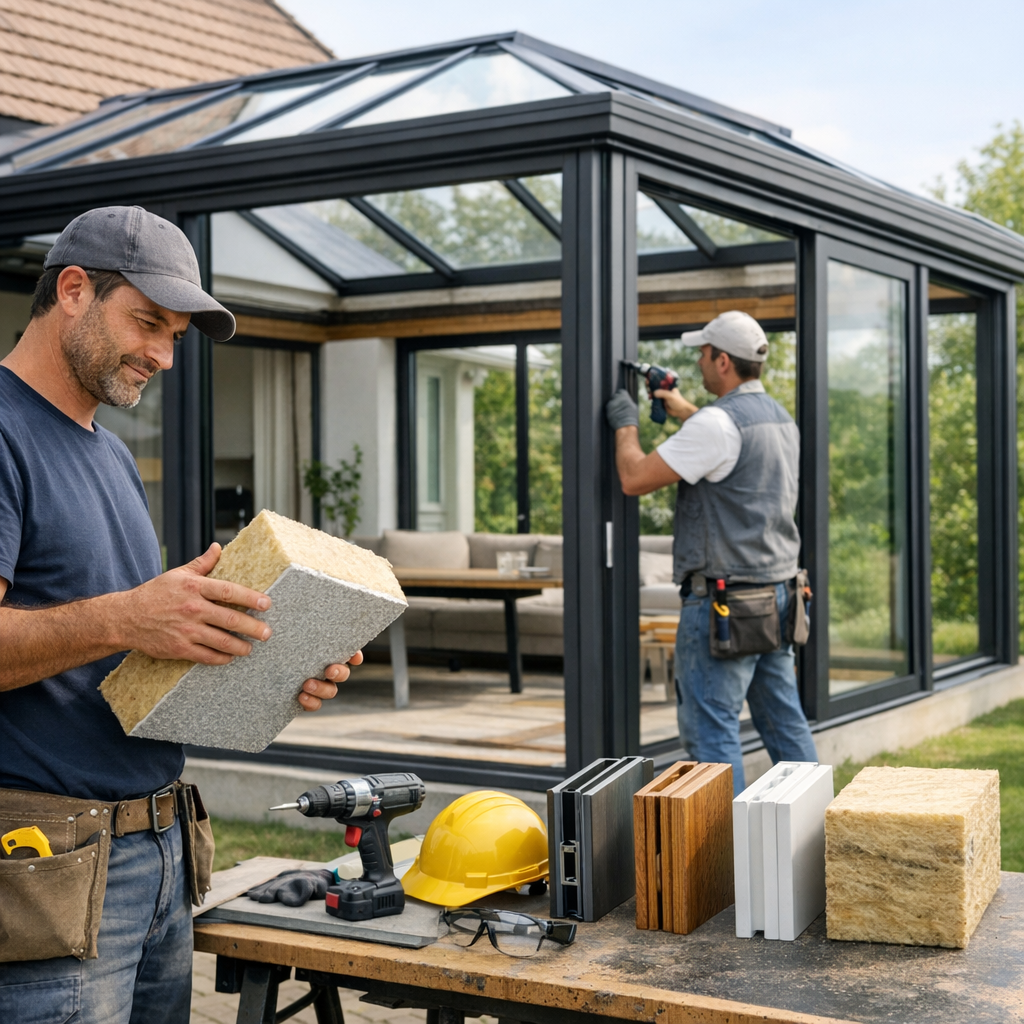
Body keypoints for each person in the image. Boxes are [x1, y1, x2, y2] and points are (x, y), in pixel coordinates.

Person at [0, 206, 361, 1023]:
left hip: (163, 853)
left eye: (175, 336)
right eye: (147, 323)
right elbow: (113, 624)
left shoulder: (111, 453)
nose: (163, 355)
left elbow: (118, 664)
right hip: (52, 864)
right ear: (72, 290)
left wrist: (271, 658)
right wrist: (131, 616)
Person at [606, 310, 817, 795]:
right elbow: (727, 447)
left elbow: (634, 477)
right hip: (779, 597)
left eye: (703, 354)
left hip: (726, 606)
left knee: (711, 738)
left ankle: (728, 865)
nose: (698, 362)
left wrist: (626, 423)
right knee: (786, 727)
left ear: (723, 361)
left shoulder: (717, 425)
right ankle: (818, 844)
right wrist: (683, 409)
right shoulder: (778, 418)